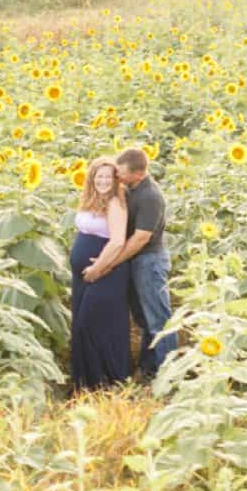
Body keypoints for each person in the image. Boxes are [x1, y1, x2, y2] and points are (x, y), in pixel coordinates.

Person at [83, 147, 176, 381]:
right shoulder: (131, 189)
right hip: (136, 262)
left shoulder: (150, 196)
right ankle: (149, 369)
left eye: (121, 173)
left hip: (149, 262)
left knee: (159, 319)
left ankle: (168, 374)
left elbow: (140, 238)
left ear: (138, 173)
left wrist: (110, 262)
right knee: (144, 318)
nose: (117, 176)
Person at [69, 156, 131, 393]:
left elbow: (116, 242)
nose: (103, 181)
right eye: (99, 176)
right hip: (83, 276)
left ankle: (108, 380)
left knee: (94, 323)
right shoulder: (90, 200)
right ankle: (84, 383)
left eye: (108, 176)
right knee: (82, 324)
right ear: (92, 178)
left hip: (107, 272)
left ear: (115, 179)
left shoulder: (115, 203)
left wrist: (98, 268)